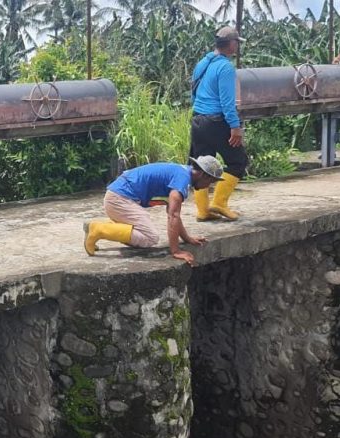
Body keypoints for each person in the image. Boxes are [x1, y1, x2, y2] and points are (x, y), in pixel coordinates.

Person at [83, 156, 224, 266]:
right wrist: (176, 251)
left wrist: (187, 238)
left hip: (118, 197)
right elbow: (173, 216)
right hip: (119, 199)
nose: (208, 186)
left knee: (143, 236)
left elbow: (173, 213)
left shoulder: (182, 174)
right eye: (211, 182)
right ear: (204, 175)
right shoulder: (182, 179)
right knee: (150, 238)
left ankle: (100, 227)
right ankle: (99, 229)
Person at [190, 26, 249, 222]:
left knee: (201, 166)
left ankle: (203, 210)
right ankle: (219, 203)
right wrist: (235, 126)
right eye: (237, 43)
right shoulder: (225, 67)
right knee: (238, 161)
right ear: (231, 44)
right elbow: (227, 102)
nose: (237, 46)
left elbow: (194, 92)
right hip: (216, 121)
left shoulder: (203, 63)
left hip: (198, 119)